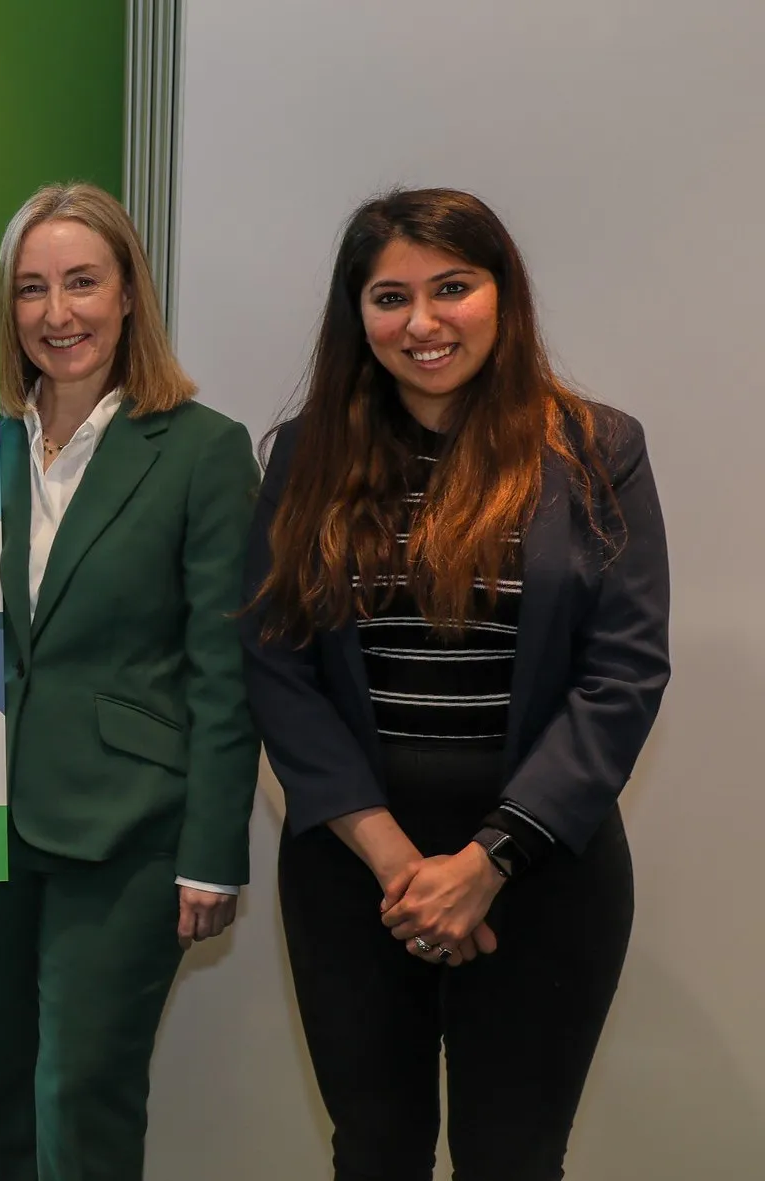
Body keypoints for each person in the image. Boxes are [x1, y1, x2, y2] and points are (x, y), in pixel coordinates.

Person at [241, 187, 669, 1180]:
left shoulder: (598, 449)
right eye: (389, 296)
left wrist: (487, 858)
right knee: (374, 1150)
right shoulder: (304, 454)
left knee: (509, 1155)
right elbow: (274, 661)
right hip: (354, 865)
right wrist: (394, 861)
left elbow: (624, 669)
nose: (421, 322)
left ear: (500, 294)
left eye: (450, 288)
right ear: (357, 316)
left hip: (542, 862)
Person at [0, 182, 261, 1181]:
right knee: (9, 1097)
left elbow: (224, 667)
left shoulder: (202, 450)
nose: (56, 312)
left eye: (81, 282)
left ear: (127, 295)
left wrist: (213, 850)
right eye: (30, 288)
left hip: (127, 830)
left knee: (83, 1093)